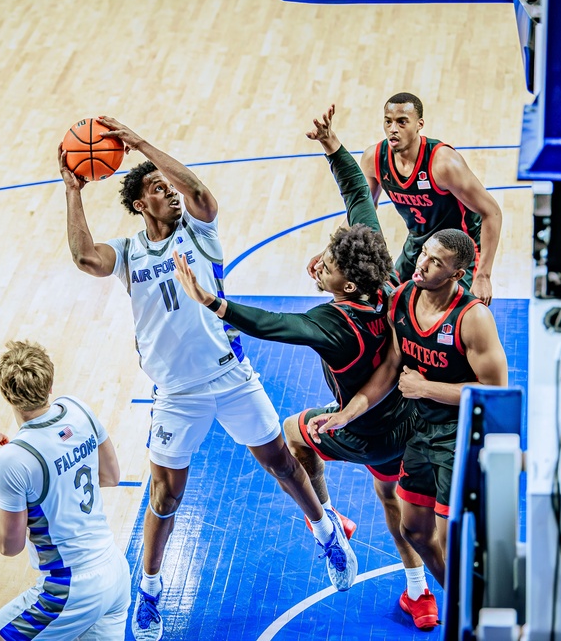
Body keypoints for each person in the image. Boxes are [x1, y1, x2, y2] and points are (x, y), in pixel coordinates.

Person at [59, 118, 356, 641]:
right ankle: (149, 591)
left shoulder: (199, 230)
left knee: (282, 465)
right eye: (156, 189)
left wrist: (142, 145)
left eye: (168, 186)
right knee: (164, 497)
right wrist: (72, 191)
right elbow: (86, 257)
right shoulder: (129, 253)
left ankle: (326, 532)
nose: (170, 194)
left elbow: (196, 190)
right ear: (138, 205)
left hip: (231, 377)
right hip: (176, 394)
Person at [171, 105, 437, 630]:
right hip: (412, 413)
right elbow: (360, 196)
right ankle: (417, 591)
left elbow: (273, 325)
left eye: (330, 265)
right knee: (395, 499)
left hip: (366, 431)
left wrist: (214, 303)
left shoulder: (333, 325)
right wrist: (334, 147)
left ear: (349, 284)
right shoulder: (381, 281)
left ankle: (337, 520)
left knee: (296, 440)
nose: (321, 264)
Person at [310, 228, 509, 588]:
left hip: (461, 435)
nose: (424, 264)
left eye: (437, 262)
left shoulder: (473, 318)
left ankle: (478, 616)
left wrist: (424, 387)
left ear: (456, 275)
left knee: (454, 541)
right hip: (422, 428)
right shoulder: (401, 297)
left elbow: (495, 390)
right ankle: (464, 605)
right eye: (424, 254)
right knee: (414, 530)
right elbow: (390, 365)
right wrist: (348, 413)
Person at [0, 340, 131, 641]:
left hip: (68, 589)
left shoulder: (13, 458)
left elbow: (9, 546)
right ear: (50, 386)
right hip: (114, 570)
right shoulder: (78, 409)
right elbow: (111, 476)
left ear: (8, 396)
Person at [358, 92, 502, 305]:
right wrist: (332, 249)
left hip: (459, 247)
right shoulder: (374, 159)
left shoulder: (444, 164)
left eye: (402, 122)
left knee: (458, 315)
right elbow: (362, 209)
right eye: (388, 122)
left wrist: (483, 276)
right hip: (419, 241)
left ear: (419, 124)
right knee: (385, 302)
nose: (393, 129)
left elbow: (492, 212)